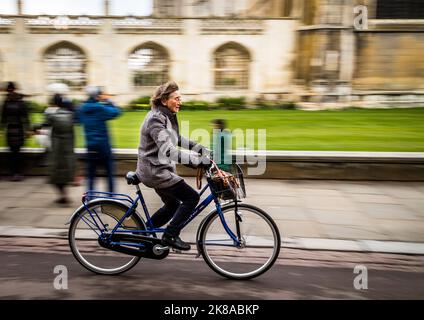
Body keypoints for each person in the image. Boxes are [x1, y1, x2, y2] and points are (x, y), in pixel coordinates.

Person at [136, 81, 210, 251]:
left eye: (180, 98)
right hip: (155, 171)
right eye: (176, 98)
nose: (180, 102)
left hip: (158, 169)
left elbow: (176, 138)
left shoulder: (164, 115)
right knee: (192, 198)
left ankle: (144, 235)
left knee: (173, 205)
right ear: (164, 100)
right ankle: (170, 235)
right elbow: (169, 151)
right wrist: (197, 162)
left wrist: (201, 149)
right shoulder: (155, 119)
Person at [77, 86, 121, 193]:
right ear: (97, 95)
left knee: (91, 175)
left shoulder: (82, 108)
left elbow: (78, 120)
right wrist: (107, 100)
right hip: (103, 146)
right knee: (110, 173)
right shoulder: (100, 108)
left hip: (90, 146)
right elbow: (116, 112)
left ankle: (90, 198)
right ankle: (111, 197)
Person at [44, 90, 76, 204]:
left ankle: (63, 195)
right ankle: (64, 195)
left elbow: (43, 124)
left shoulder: (52, 116)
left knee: (55, 174)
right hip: (68, 149)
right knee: (65, 173)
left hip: (57, 149)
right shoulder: (71, 115)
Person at [0, 82, 30, 181]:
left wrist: (2, 129)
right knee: (18, 152)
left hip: (10, 129)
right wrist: (28, 130)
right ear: (15, 89)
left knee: (12, 153)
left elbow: (3, 118)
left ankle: (13, 173)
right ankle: (19, 173)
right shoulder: (21, 102)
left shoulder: (6, 102)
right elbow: (25, 117)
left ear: (8, 90)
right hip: (19, 129)